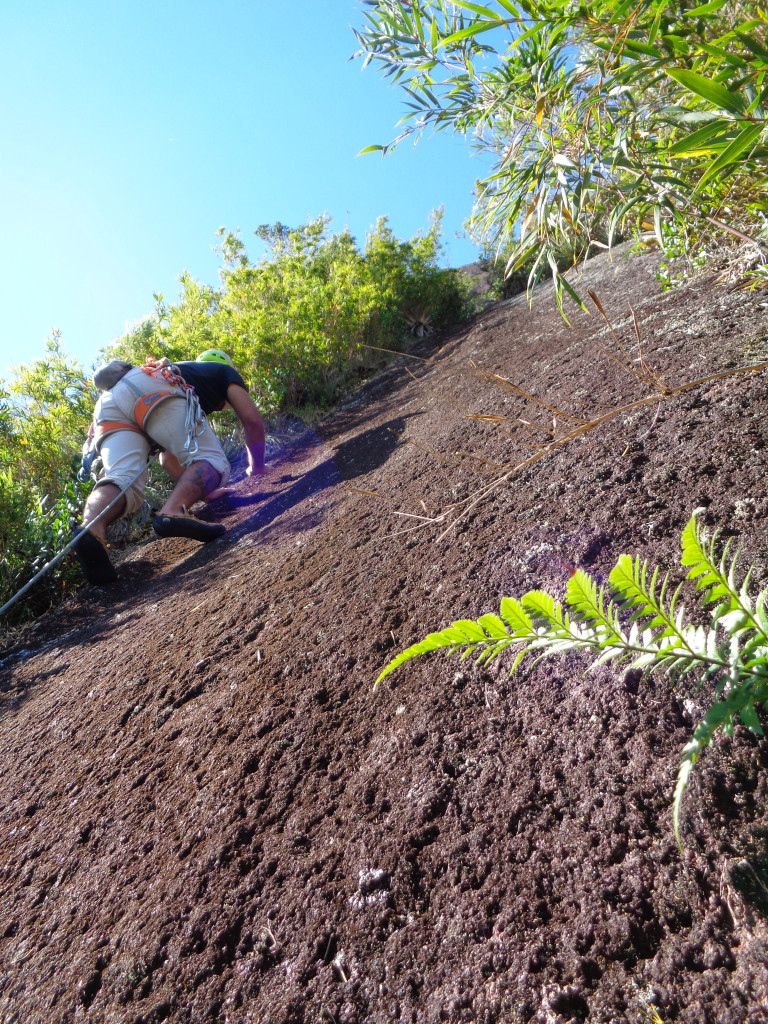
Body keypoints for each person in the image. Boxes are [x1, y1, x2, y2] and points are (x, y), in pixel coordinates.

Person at [74, 349, 266, 585]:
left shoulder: (189, 375)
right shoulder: (224, 371)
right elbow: (252, 420)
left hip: (106, 406)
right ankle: (172, 512)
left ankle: (91, 529)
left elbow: (168, 460)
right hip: (148, 383)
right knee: (211, 459)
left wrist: (206, 493)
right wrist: (256, 468)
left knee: (122, 476)